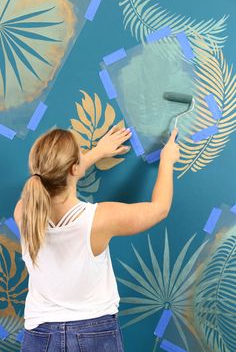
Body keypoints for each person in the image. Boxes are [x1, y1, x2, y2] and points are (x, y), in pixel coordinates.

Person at [14, 125, 180, 352]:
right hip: (94, 334)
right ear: (74, 168)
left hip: (40, 337)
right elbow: (160, 208)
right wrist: (167, 160)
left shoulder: (24, 212)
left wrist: (96, 152)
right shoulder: (99, 219)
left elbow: (57, 174)